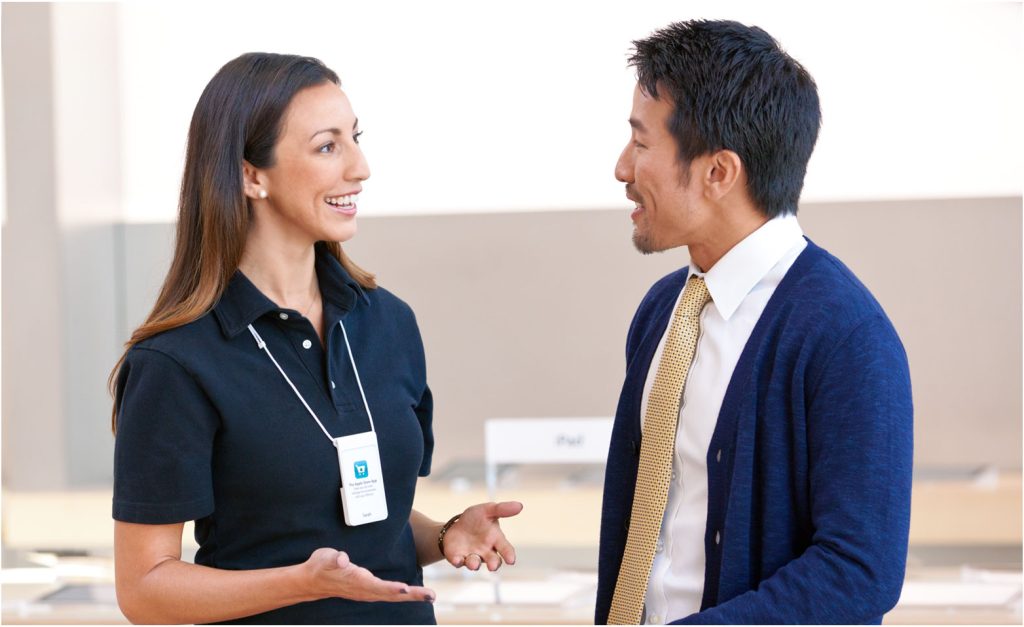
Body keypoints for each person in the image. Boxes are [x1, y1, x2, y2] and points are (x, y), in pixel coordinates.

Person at [110, 52, 522, 625]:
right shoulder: (175, 363)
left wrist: (447, 532)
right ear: (251, 175)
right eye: (328, 146)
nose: (360, 168)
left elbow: (370, 515)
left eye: (356, 138)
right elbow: (145, 591)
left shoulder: (387, 322)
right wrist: (302, 585)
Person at [596, 20, 913, 625]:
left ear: (719, 172)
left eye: (640, 144)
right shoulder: (663, 311)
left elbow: (859, 571)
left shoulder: (847, 336)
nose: (620, 169)